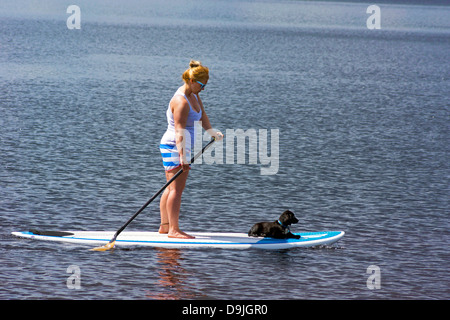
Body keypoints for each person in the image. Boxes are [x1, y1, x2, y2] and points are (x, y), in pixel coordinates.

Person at [159, 60, 223, 239]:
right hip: (175, 146)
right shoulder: (181, 102)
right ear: (192, 81)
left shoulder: (193, 95)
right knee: (176, 190)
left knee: (170, 188)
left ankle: (165, 226)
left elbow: (202, 115)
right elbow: (179, 132)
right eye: (202, 85)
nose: (203, 89)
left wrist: (211, 132)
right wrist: (183, 157)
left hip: (179, 147)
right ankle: (173, 230)